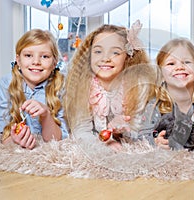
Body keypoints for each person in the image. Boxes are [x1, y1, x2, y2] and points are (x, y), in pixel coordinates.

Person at [63, 20, 150, 148]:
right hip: (97, 146)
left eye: (115, 52)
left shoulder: (137, 87)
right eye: (98, 51)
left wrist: (123, 132)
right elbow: (81, 131)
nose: (105, 58)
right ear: (89, 56)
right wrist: (104, 144)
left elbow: (143, 133)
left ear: (127, 56)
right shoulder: (82, 87)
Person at [0, 29, 69, 149]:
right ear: (18, 60)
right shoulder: (6, 84)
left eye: (45, 56)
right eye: (28, 55)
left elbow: (57, 140)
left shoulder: (60, 86)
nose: (36, 62)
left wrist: (46, 115)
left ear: (54, 63)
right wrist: (14, 139)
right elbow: (4, 137)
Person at [153, 38, 194, 151]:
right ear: (161, 73)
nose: (179, 67)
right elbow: (143, 136)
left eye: (186, 62)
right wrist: (157, 141)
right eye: (171, 63)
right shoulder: (155, 102)